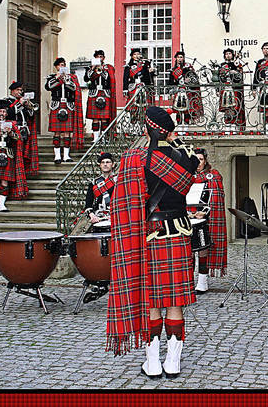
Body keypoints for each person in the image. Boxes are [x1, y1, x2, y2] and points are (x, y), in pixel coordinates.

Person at [107, 106, 200, 379]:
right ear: (169, 132)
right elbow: (192, 165)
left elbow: (122, 204)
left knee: (152, 301)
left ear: (147, 128)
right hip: (179, 234)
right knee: (175, 301)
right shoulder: (184, 156)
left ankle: (153, 363)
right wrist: (176, 141)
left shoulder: (134, 158)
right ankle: (173, 362)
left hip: (149, 235)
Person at [190, 148, 228, 293]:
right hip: (188, 217)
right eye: (196, 159)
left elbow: (216, 199)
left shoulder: (214, 175)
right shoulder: (186, 176)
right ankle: (188, 281)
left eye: (201, 159)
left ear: (205, 160)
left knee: (202, 251)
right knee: (189, 252)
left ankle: (202, 282)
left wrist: (204, 212)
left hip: (206, 219)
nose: (198, 163)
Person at [45, 57, 84, 164]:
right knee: (57, 132)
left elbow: (73, 89)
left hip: (68, 105)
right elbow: (48, 87)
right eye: (60, 65)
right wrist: (58, 78)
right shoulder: (52, 77)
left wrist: (66, 80)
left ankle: (66, 155)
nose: (62, 66)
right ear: (56, 67)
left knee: (67, 132)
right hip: (56, 105)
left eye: (64, 64)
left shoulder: (71, 78)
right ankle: (57, 156)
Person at [4, 81, 39, 176]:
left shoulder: (22, 102)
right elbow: (9, 113)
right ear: (12, 91)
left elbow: (30, 117)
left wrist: (28, 107)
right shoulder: (6, 101)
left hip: (24, 131)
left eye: (21, 90)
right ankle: (16, 172)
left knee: (24, 153)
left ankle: (22, 171)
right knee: (16, 153)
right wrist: (20, 104)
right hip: (15, 130)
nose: (20, 92)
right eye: (17, 90)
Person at [84, 50, 117, 143]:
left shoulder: (108, 68)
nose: (99, 58)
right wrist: (93, 68)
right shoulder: (90, 68)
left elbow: (108, 78)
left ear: (104, 58)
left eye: (101, 57)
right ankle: (95, 137)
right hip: (94, 93)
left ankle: (103, 137)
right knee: (95, 118)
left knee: (104, 118)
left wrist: (101, 69)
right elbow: (86, 78)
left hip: (105, 93)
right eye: (97, 57)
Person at [169, 50, 203, 134]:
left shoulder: (188, 68)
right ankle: (180, 127)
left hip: (187, 91)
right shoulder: (173, 70)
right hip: (178, 92)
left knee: (187, 110)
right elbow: (170, 83)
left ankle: (186, 128)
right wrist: (172, 93)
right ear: (176, 59)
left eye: (181, 57)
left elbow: (195, 79)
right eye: (178, 57)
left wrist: (189, 79)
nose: (180, 59)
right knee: (178, 110)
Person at [84, 152, 117, 227]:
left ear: (113, 164)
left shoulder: (118, 181)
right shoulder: (94, 183)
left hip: (115, 218)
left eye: (108, 162)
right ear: (100, 165)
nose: (105, 164)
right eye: (103, 162)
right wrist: (92, 215)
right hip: (98, 218)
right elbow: (88, 203)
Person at [217, 48, 246, 133]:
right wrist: (217, 89)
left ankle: (233, 125)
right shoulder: (221, 65)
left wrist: (235, 72)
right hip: (224, 89)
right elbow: (218, 79)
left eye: (229, 54)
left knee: (234, 108)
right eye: (226, 54)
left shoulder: (237, 64)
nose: (228, 55)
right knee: (226, 108)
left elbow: (240, 77)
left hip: (234, 89)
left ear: (232, 55)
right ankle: (227, 125)